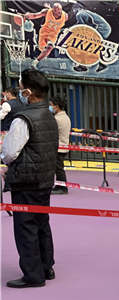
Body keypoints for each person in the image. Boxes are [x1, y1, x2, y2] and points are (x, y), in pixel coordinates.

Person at [1, 69, 58, 288]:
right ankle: (46, 267)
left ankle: (33, 274)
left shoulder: (23, 119)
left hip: (26, 180)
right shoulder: (49, 115)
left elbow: (9, 152)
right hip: (44, 178)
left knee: (26, 227)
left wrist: (8, 165)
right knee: (42, 224)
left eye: (20, 88)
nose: (19, 93)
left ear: (28, 92)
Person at [25, 3, 68, 69]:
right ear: (53, 10)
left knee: (50, 47)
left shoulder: (65, 16)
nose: (59, 12)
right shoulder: (47, 12)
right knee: (41, 49)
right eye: (57, 10)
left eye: (60, 10)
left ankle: (35, 62)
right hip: (44, 32)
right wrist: (24, 15)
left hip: (53, 35)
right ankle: (41, 54)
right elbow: (34, 15)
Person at [48, 96, 71, 195]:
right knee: (58, 167)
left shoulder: (57, 119)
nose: (50, 107)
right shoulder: (65, 117)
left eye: (51, 105)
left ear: (56, 106)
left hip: (59, 147)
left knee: (58, 168)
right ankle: (59, 184)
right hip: (63, 146)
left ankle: (63, 187)